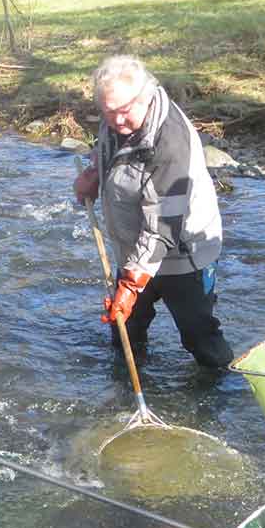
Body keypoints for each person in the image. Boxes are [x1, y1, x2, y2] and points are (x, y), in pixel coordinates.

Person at [73, 54, 232, 368]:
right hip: (133, 251)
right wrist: (95, 175)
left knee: (199, 338)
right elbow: (112, 152)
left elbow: (162, 227)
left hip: (183, 254)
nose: (116, 121)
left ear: (144, 97)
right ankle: (126, 399)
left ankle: (222, 395)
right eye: (108, 112)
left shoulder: (170, 143)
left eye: (123, 111)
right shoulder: (117, 119)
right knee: (125, 333)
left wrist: (131, 286)